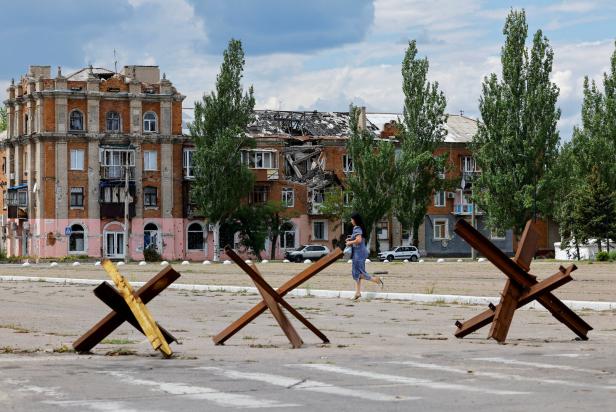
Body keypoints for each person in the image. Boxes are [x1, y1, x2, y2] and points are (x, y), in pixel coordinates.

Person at [345, 212, 383, 300]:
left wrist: (350, 242)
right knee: (357, 273)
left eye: (351, 219)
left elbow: (358, 240)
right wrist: (350, 239)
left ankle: (376, 280)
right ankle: (357, 293)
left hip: (359, 253)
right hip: (360, 252)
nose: (351, 221)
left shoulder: (357, 228)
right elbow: (358, 239)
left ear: (355, 220)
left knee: (357, 273)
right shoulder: (360, 228)